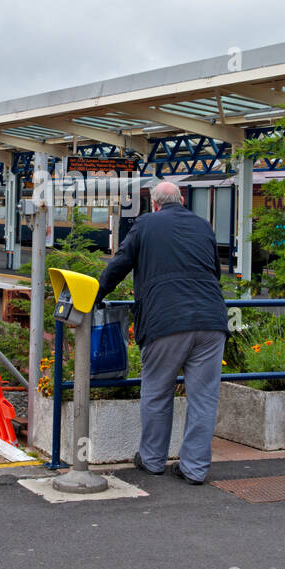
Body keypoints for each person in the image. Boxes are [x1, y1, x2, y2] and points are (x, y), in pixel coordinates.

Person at [96, 179, 228, 484]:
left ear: (154, 204)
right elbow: (215, 273)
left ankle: (153, 461)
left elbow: (119, 264)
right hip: (211, 320)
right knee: (204, 397)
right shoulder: (203, 226)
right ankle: (194, 469)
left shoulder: (146, 224)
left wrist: (95, 296)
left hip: (165, 322)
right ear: (181, 201)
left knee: (157, 392)